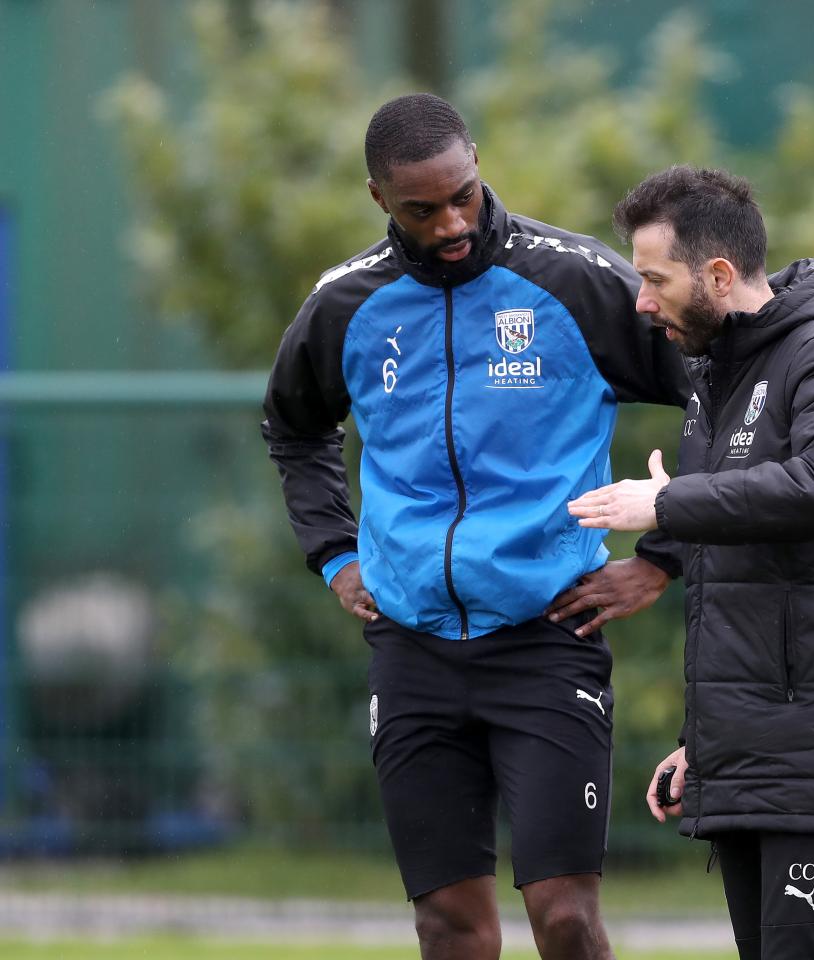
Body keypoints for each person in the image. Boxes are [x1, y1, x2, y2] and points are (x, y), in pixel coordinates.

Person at [260, 94, 688, 960]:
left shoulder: (573, 280)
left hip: (547, 635)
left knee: (564, 917)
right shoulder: (347, 303)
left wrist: (664, 554)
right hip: (410, 647)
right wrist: (336, 555)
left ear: (478, 162)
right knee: (448, 925)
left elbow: (716, 394)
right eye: (423, 209)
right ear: (380, 199)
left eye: (463, 193)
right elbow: (294, 426)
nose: (452, 221)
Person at [569, 166, 814, 960]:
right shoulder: (714, 374)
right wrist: (707, 737)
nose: (641, 300)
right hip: (752, 754)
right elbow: (747, 579)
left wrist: (664, 506)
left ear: (719, 275)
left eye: (654, 279)